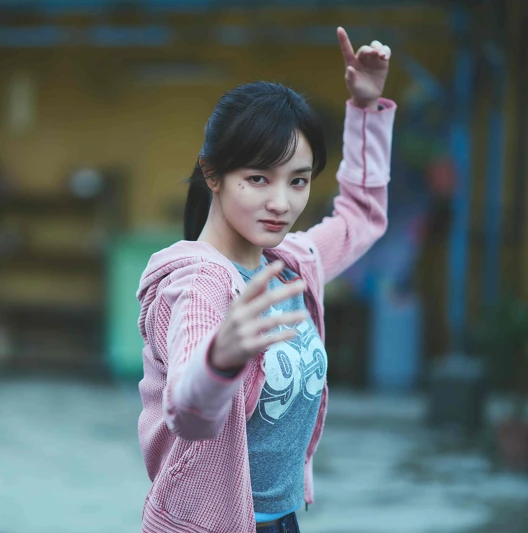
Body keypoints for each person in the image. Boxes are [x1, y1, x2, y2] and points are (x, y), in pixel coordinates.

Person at [136, 27, 396, 533]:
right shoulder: (197, 283)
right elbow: (189, 414)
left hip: (282, 521)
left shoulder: (292, 262)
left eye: (298, 181)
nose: (281, 203)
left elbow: (361, 216)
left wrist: (366, 109)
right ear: (213, 174)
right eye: (258, 178)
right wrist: (220, 360)